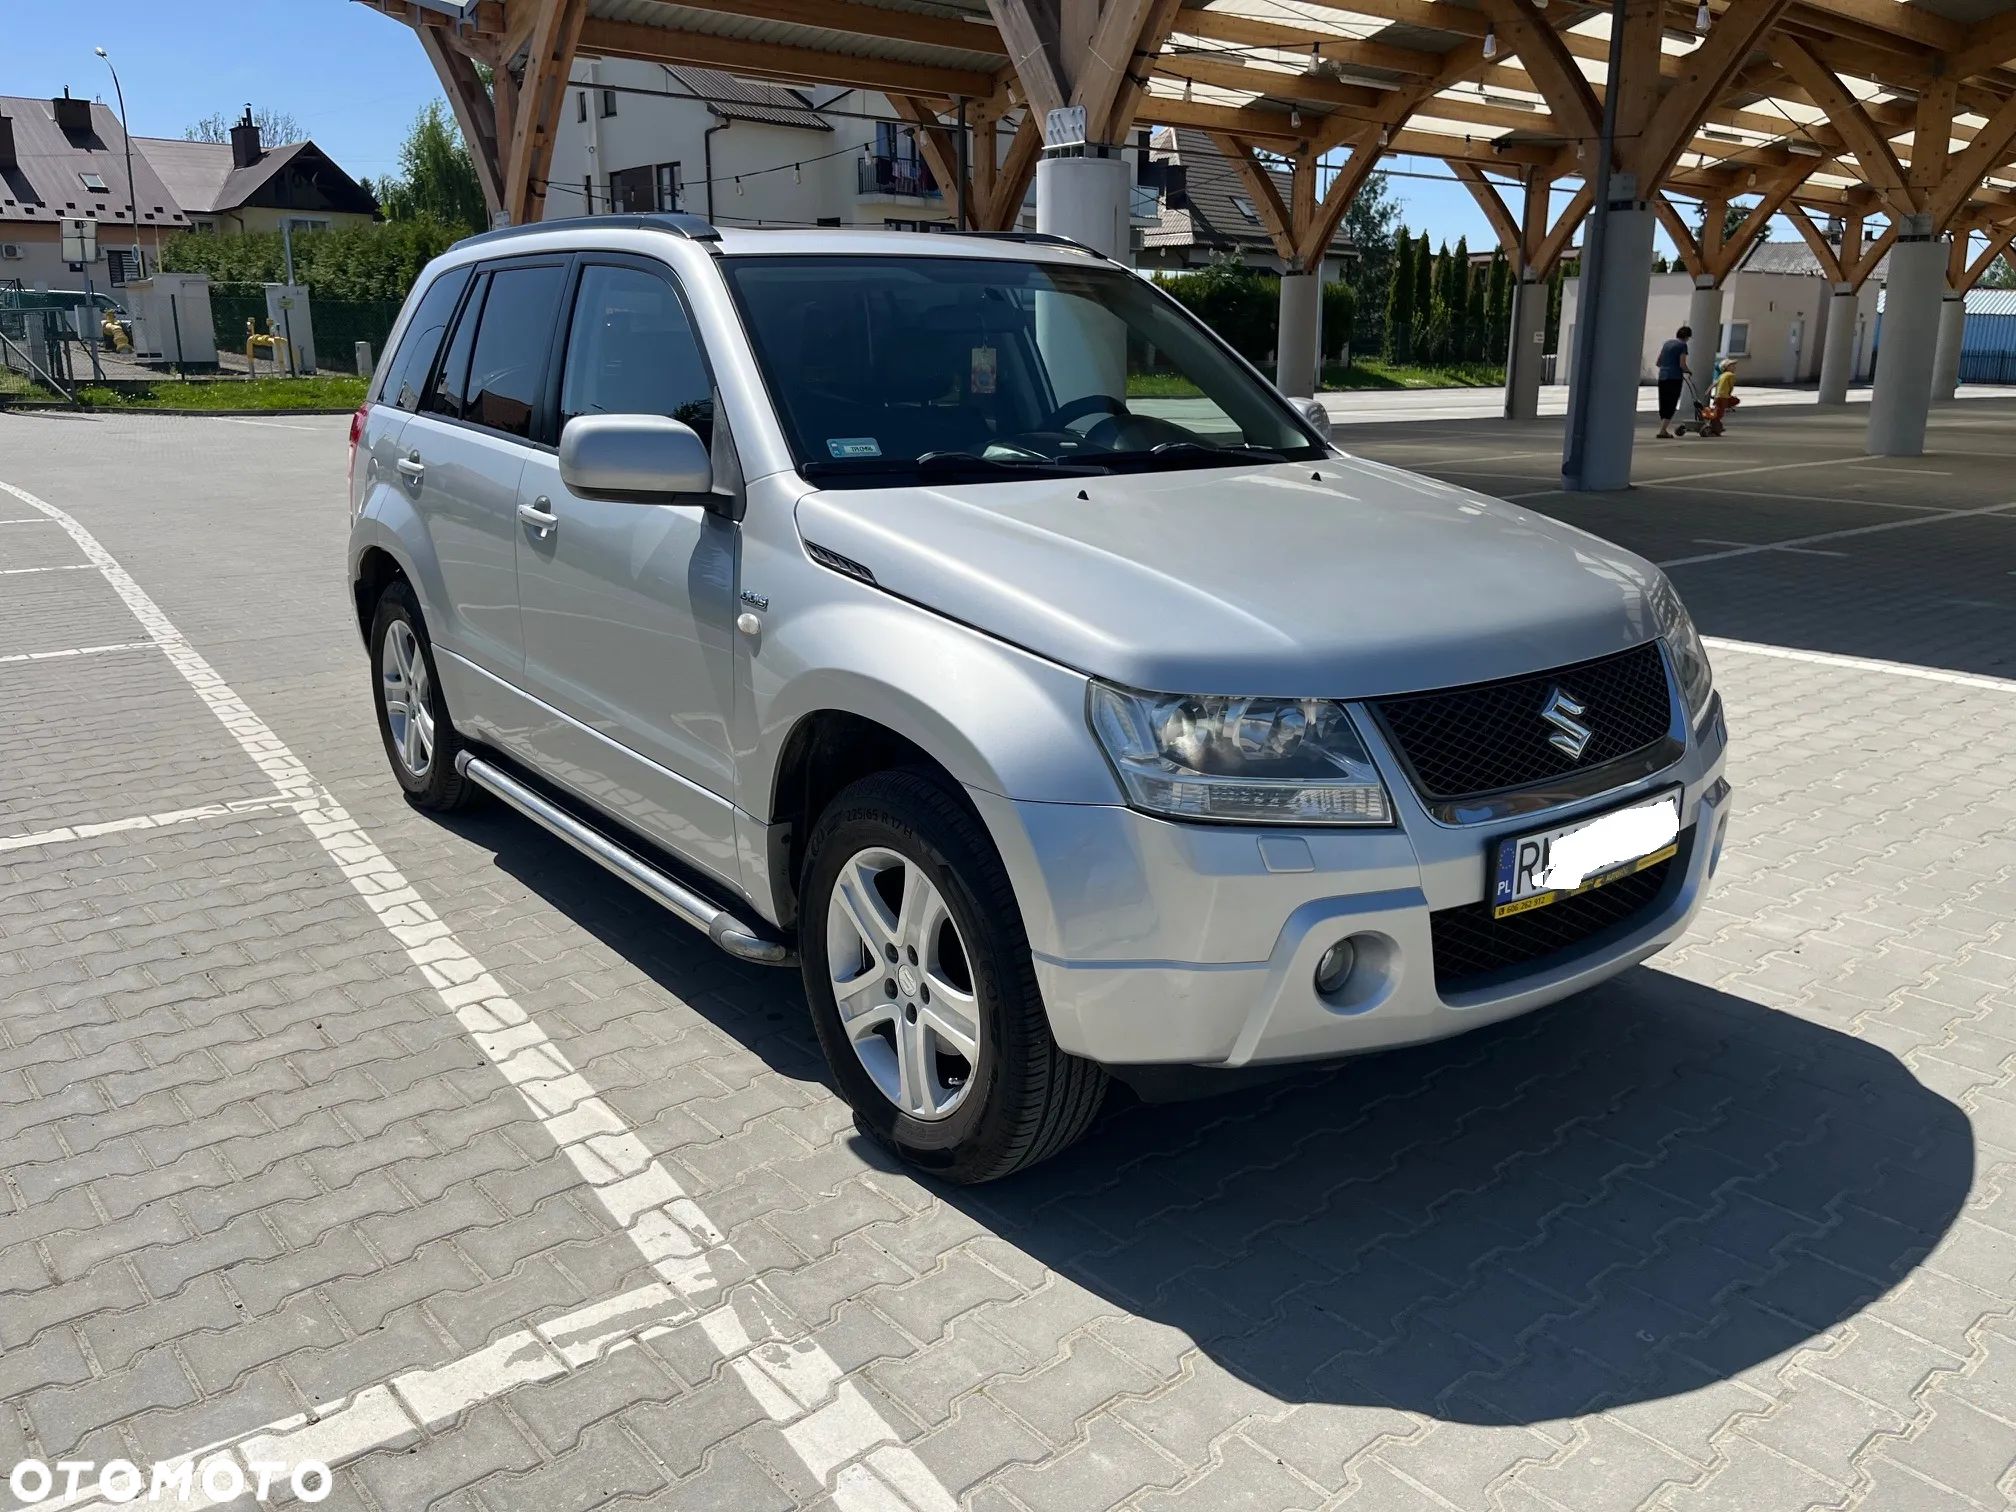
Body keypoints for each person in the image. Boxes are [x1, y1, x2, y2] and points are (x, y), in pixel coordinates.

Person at [1654, 325, 1692, 439]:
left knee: (1663, 402)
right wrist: (1688, 371)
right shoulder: (1682, 345)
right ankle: (1662, 430)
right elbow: (1682, 364)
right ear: (1687, 337)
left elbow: (1658, 362)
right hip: (1674, 377)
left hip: (1663, 376)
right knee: (1671, 403)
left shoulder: (1666, 344)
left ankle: (1663, 428)